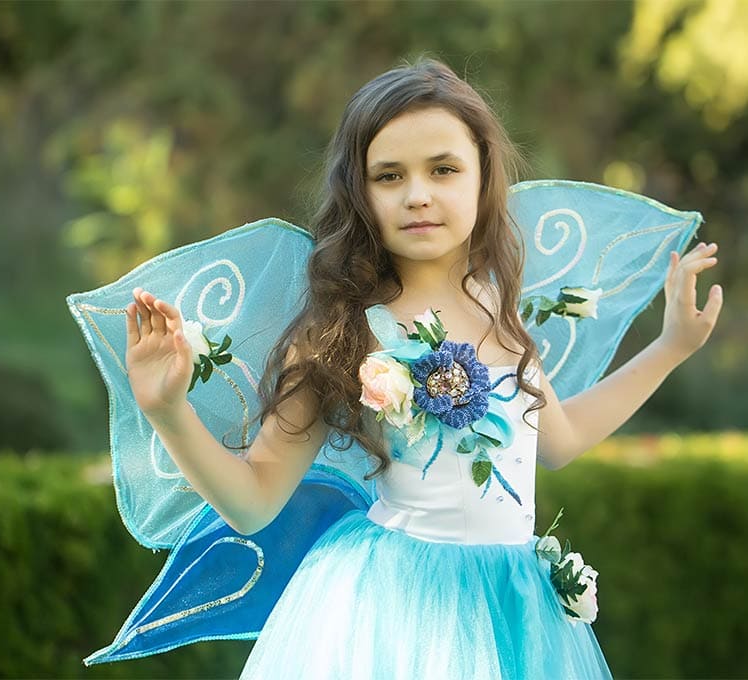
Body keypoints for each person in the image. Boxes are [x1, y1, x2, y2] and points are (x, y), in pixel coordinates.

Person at [119, 58, 722, 678]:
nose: (418, 194)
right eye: (388, 176)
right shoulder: (342, 332)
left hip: (516, 609)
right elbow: (252, 503)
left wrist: (670, 347)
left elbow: (560, 441)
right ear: (361, 193)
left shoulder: (499, 308)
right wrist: (167, 410)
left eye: (443, 169)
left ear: (483, 177)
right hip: (399, 614)